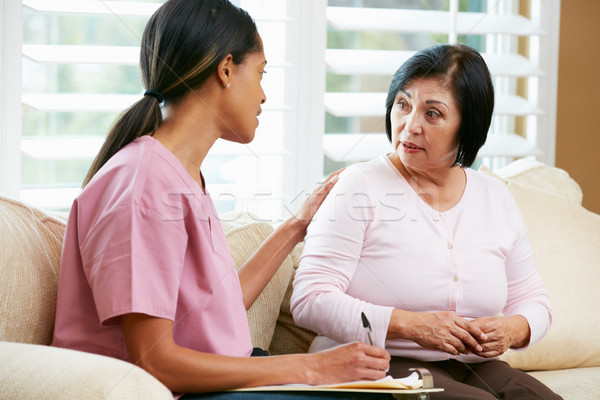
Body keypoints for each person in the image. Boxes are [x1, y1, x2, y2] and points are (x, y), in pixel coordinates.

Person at [51, 1, 394, 399]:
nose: (264, 95)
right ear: (227, 69)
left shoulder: (179, 174)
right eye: (261, 74)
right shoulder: (143, 184)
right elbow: (155, 362)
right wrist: (310, 367)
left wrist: (296, 227)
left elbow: (217, 306)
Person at [290, 44, 563, 399]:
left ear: (468, 125)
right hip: (375, 362)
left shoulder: (495, 197)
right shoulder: (360, 185)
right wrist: (413, 326)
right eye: (403, 104)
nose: (410, 126)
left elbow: (533, 300)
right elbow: (310, 300)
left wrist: (512, 329)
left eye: (432, 114)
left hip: (471, 365)